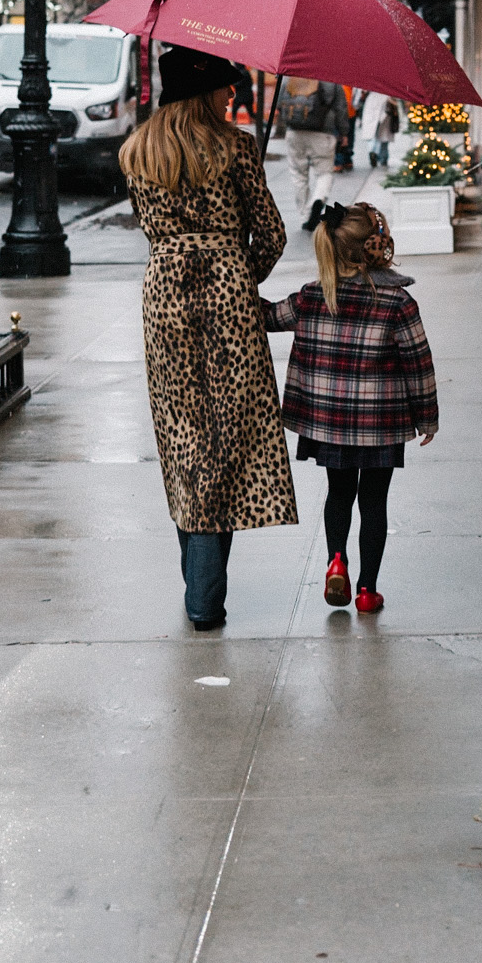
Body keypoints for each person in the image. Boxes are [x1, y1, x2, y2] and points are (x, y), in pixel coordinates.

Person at [121, 45, 297, 630]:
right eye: (224, 87)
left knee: (184, 438)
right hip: (227, 304)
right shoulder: (236, 147)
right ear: (204, 92)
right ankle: (204, 595)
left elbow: (149, 229)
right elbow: (270, 235)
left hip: (166, 296)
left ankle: (198, 584)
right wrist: (234, 272)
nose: (231, 96)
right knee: (225, 440)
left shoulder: (136, 151)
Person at [262, 201, 438, 613]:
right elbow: (418, 361)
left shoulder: (312, 297)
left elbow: (266, 317)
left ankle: (335, 560)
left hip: (328, 423)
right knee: (374, 501)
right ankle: (366, 590)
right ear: (377, 247)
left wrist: (232, 283)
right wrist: (426, 416)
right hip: (379, 423)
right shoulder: (397, 302)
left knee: (338, 493)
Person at [278, 77, 349, 230]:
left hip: (294, 132)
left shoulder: (290, 77)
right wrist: (344, 133)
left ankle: (305, 214)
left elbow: (280, 104)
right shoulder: (332, 81)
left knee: (299, 175)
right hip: (323, 133)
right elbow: (341, 109)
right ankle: (318, 200)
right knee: (325, 173)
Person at [368, 96, 400, 169]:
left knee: (376, 136)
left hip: (379, 113)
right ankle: (382, 158)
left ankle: (375, 152)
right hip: (386, 113)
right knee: (383, 139)